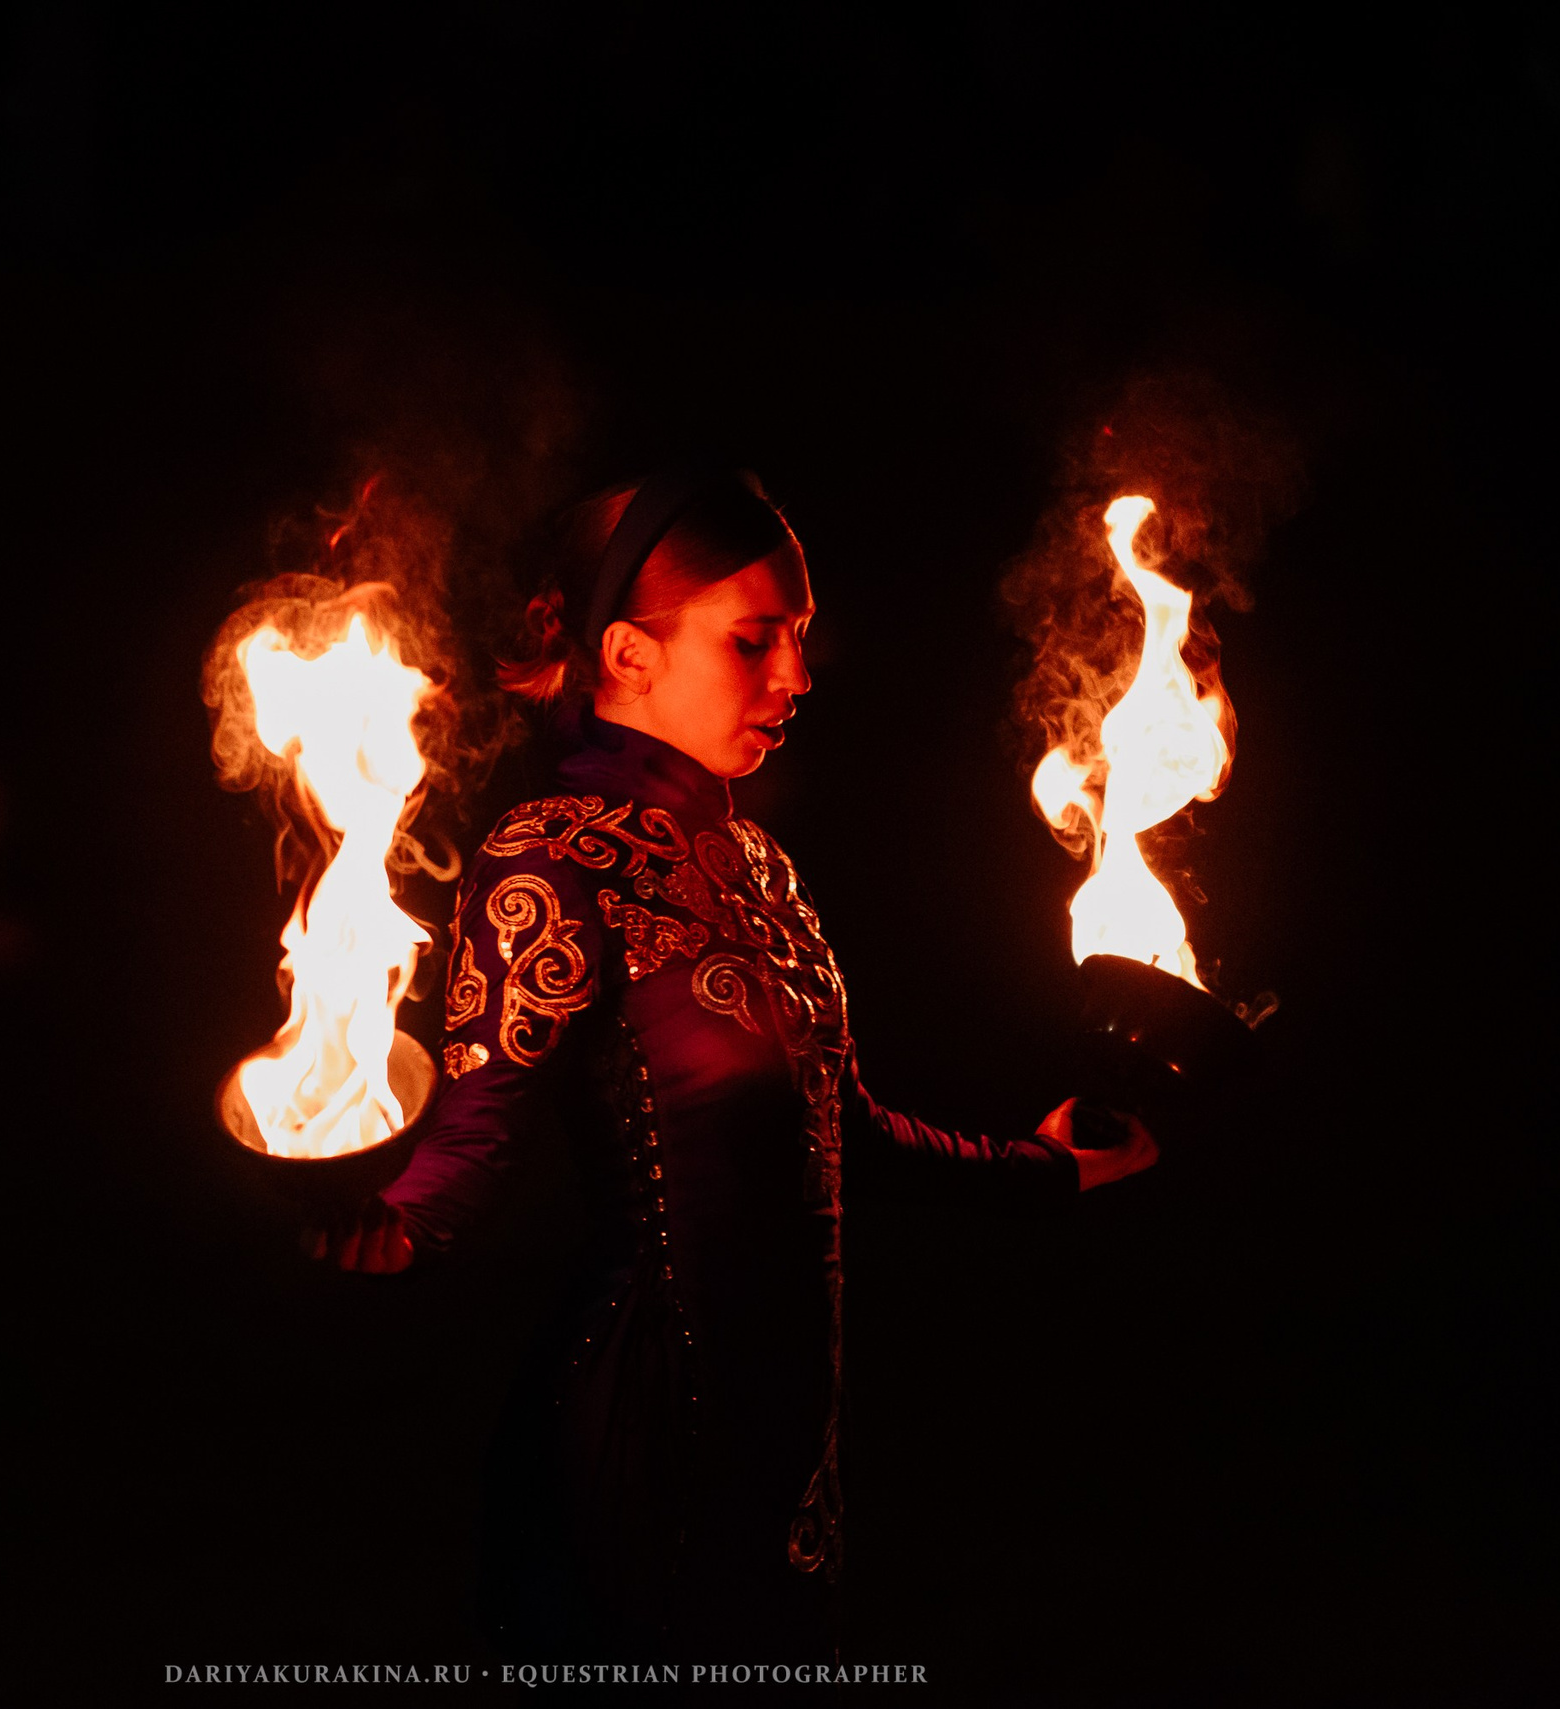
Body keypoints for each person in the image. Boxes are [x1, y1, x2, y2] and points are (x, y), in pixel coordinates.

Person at [317, 465, 1158, 1662]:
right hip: (637, 1433)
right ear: (626, 652)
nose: (796, 678)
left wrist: (1046, 1165)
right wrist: (363, 1225)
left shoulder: (755, 862)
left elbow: (840, 1132)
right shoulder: (547, 859)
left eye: (801, 639)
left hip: (793, 1436)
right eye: (755, 639)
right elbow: (467, 1145)